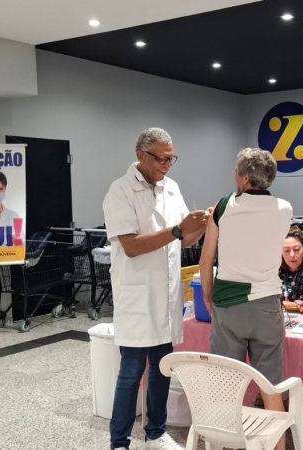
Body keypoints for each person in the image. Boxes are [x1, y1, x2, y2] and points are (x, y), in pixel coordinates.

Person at [103, 127, 209, 450]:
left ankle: (156, 433)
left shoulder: (171, 188)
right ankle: (119, 441)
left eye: (171, 159)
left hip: (166, 297)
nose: (166, 165)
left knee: (163, 369)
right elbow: (132, 246)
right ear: (140, 156)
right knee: (131, 373)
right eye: (161, 158)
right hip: (137, 298)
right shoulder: (120, 191)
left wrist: (200, 227)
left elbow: (183, 240)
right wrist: (178, 229)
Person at [199, 148, 292, 450]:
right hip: (268, 305)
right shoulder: (285, 208)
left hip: (229, 305)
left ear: (244, 178)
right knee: (271, 385)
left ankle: (229, 445)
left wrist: (208, 295)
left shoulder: (224, 206)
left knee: (227, 386)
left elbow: (206, 259)